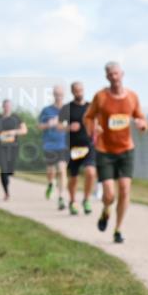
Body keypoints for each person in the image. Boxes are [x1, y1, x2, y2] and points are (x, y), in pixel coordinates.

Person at [84, 61, 148, 243]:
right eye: (110, 74)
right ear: (106, 76)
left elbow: (140, 117)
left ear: (122, 74)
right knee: (110, 195)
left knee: (125, 189)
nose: (114, 77)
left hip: (126, 149)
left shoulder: (132, 97)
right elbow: (88, 117)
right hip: (104, 150)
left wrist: (143, 125)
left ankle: (118, 230)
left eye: (116, 73)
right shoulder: (101, 97)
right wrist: (92, 130)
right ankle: (106, 210)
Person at [61, 81, 97, 215]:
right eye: (76, 90)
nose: (79, 92)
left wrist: (97, 129)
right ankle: (72, 201)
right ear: (72, 92)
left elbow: (96, 122)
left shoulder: (90, 107)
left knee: (91, 172)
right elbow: (59, 126)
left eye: (81, 90)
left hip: (88, 146)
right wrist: (68, 127)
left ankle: (86, 199)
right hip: (73, 148)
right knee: (74, 178)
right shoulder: (67, 108)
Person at [0, 99, 28, 200]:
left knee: (10, 170)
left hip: (13, 147)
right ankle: (6, 192)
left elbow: (24, 130)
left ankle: (9, 174)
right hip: (1, 146)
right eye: (5, 106)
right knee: (3, 169)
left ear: (11, 107)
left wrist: (14, 132)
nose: (7, 108)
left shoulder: (16, 118)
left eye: (8, 106)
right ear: (3, 107)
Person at [38, 86, 69, 210]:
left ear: (64, 95)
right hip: (49, 144)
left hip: (64, 144)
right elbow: (39, 126)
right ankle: (50, 183)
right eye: (56, 94)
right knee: (51, 170)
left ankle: (61, 197)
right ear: (53, 95)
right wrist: (48, 124)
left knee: (62, 170)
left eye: (61, 94)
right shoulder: (47, 110)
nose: (59, 96)